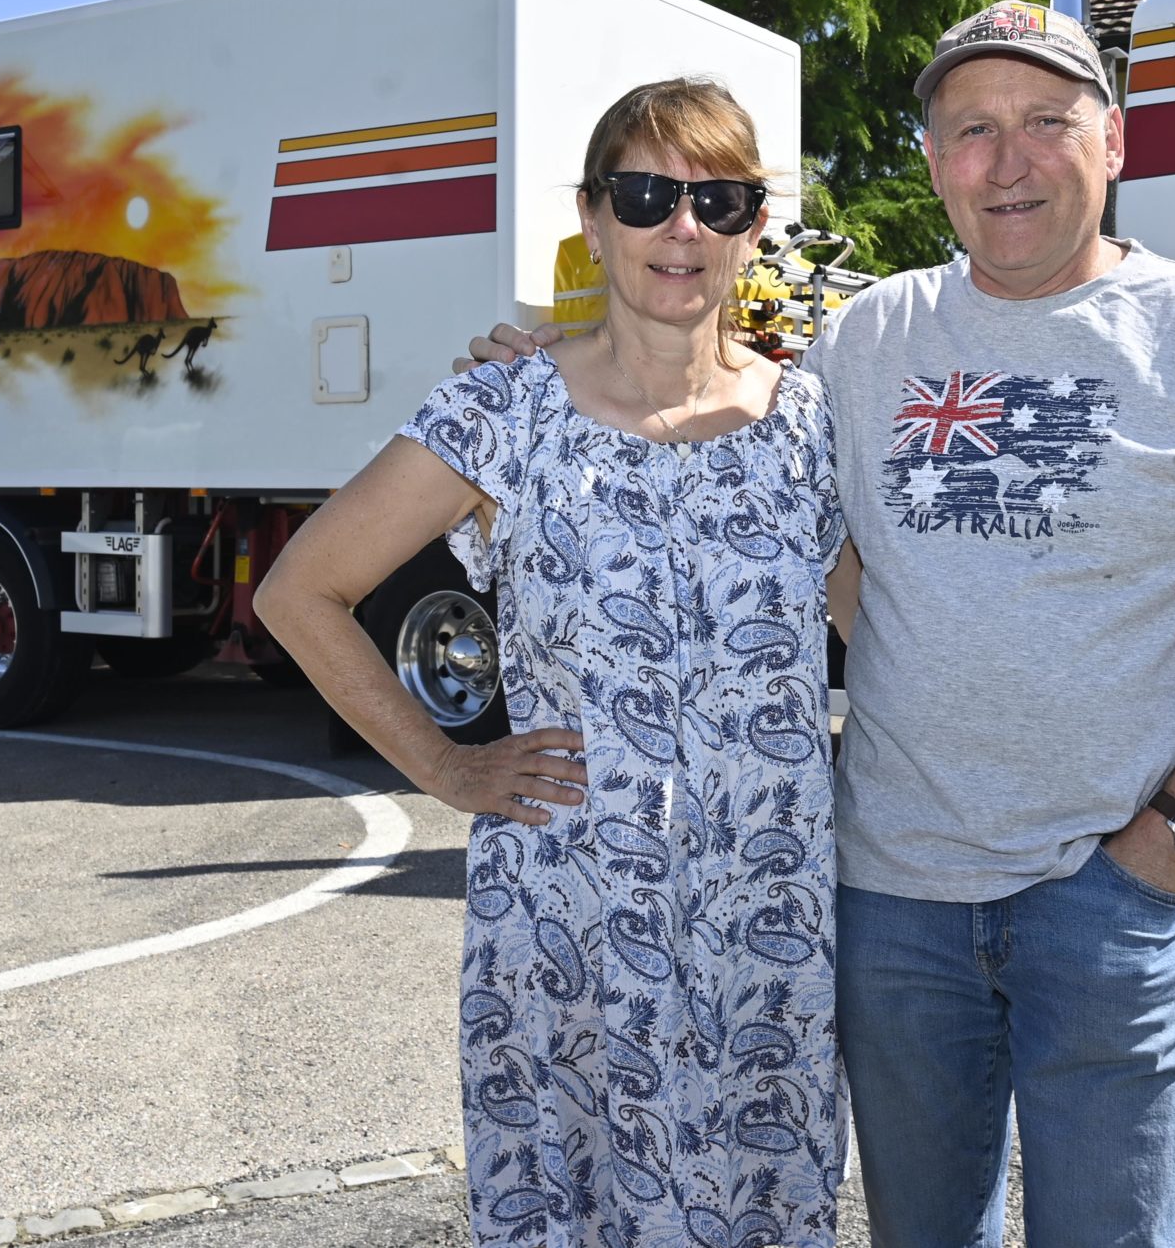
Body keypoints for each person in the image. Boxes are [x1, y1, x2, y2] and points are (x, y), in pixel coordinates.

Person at [470, 1, 1175, 1248]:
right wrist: (550, 367)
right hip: (891, 904)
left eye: (1043, 124)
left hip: (1105, 898)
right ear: (932, 162)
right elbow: (718, 417)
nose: (1005, 161)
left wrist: (1167, 841)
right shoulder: (867, 337)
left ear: (1112, 141)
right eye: (970, 130)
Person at [260, 79, 852, 1248]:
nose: (680, 229)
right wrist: (448, 765)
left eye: (718, 199)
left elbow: (888, 636)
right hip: (570, 921)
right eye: (646, 194)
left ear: (749, 227)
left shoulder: (811, 424)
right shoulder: (504, 409)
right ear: (593, 216)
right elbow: (300, 591)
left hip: (767, 925)